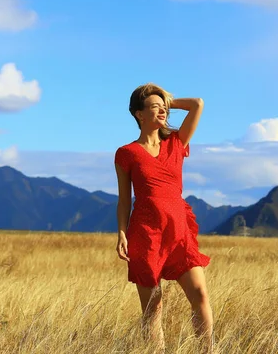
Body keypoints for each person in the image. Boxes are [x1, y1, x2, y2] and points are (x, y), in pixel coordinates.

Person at [114, 83, 214, 353]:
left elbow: (197, 104)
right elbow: (125, 200)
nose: (162, 111)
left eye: (164, 107)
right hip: (145, 232)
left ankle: (208, 350)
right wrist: (122, 232)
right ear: (139, 115)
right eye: (154, 107)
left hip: (179, 230)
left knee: (200, 295)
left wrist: (166, 99)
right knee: (153, 309)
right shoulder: (126, 154)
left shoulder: (176, 143)